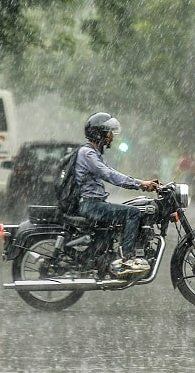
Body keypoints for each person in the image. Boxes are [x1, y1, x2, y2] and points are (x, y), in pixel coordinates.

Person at [75, 112, 158, 276]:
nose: (112, 137)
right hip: (90, 205)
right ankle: (127, 260)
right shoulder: (88, 153)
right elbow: (109, 175)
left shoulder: (93, 153)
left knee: (125, 213)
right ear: (100, 133)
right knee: (133, 213)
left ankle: (112, 256)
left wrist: (141, 183)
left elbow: (111, 171)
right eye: (109, 133)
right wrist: (139, 184)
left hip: (93, 203)